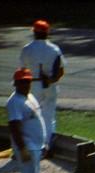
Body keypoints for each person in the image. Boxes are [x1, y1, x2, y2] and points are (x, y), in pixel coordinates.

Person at [7, 67, 47, 173]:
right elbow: (14, 127)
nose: (26, 84)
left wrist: (43, 144)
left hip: (36, 146)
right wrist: (22, 148)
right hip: (27, 146)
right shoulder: (15, 102)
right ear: (16, 83)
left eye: (28, 81)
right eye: (22, 82)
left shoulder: (29, 97)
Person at [19, 19, 65, 148]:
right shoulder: (55, 48)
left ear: (34, 32)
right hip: (51, 85)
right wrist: (51, 80)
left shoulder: (27, 49)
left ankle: (32, 144)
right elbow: (61, 71)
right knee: (49, 115)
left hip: (33, 85)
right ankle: (48, 145)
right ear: (47, 33)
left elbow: (22, 71)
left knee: (32, 115)